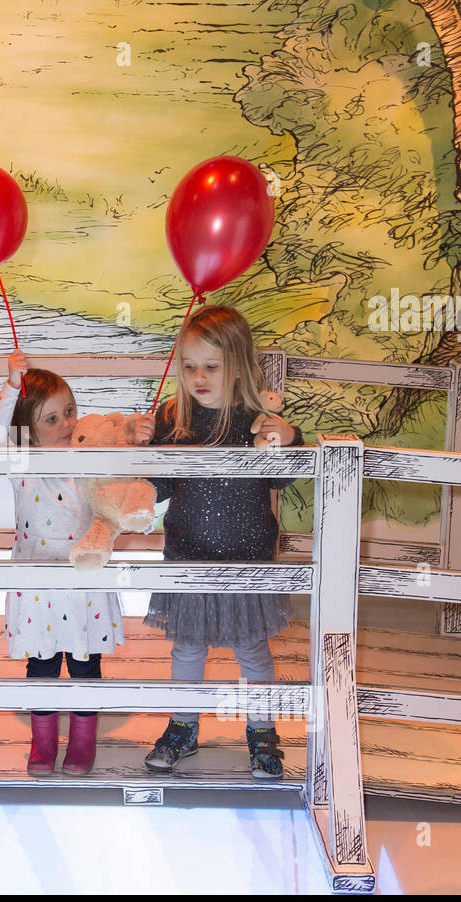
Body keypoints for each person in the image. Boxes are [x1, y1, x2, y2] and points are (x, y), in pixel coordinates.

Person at [137, 305, 304, 780]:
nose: (197, 376)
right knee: (186, 649)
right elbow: (161, 488)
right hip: (187, 554)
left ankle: (262, 734)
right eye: (189, 366)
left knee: (253, 650)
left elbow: (282, 481)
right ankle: (183, 728)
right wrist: (149, 448)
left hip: (247, 557)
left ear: (239, 366)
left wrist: (289, 439)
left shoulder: (256, 418)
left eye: (211, 366)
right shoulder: (175, 416)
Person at [0, 350, 152, 776]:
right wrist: (10, 387)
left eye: (69, 412)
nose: (66, 424)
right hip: (37, 585)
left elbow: (119, 441)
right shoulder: (22, 467)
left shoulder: (87, 462)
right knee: (41, 665)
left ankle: (82, 742)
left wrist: (136, 430)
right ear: (26, 431)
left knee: (84, 664)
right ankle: (42, 744)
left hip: (83, 583)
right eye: (51, 419)